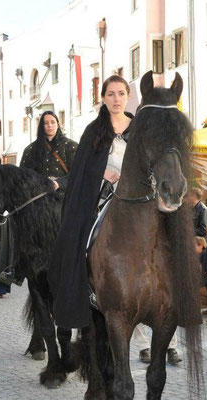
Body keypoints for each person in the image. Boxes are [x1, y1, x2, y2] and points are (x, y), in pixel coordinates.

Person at [48, 75, 134, 329]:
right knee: (80, 234)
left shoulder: (139, 127)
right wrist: (103, 173)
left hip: (138, 192)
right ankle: (87, 286)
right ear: (103, 98)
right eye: (111, 94)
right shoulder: (94, 130)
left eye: (120, 93)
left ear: (128, 96)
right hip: (103, 192)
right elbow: (83, 167)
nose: (116, 99)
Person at [20, 110, 78, 191]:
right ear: (41, 126)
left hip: (64, 197)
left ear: (58, 125)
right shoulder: (30, 150)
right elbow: (23, 177)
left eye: (53, 122)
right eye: (46, 123)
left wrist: (59, 183)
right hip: (39, 197)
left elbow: (78, 173)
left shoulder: (70, 146)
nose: (49, 125)